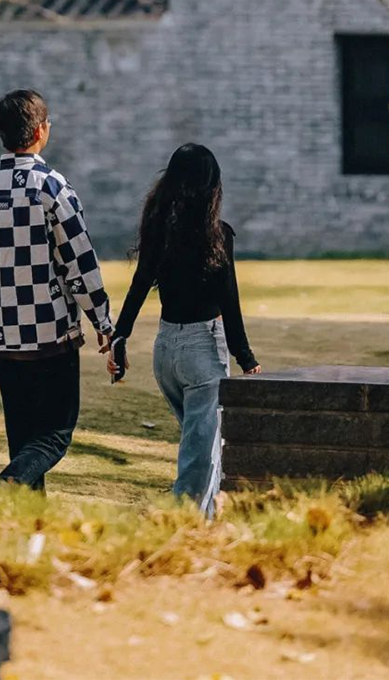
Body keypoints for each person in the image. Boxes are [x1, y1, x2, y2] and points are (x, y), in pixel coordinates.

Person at [0, 89, 113, 510]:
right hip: (50, 334)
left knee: (23, 440)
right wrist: (103, 323)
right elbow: (81, 264)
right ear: (42, 131)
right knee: (54, 436)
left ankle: (28, 529)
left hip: (2, 336)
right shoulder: (52, 188)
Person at [109, 143, 260, 517]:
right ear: (212, 186)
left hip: (166, 354)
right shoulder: (216, 234)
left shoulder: (159, 228)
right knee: (199, 456)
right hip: (201, 354)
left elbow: (139, 285)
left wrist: (119, 337)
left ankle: (209, 522)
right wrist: (247, 359)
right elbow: (229, 301)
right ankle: (182, 528)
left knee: (206, 447)